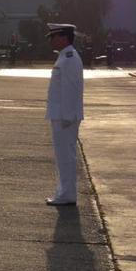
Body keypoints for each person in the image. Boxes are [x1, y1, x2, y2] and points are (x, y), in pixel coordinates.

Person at [44, 23, 84, 206]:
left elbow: (70, 89)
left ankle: (67, 194)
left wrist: (68, 117)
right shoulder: (65, 57)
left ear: (64, 38)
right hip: (62, 114)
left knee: (65, 156)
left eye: (54, 37)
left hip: (64, 116)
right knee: (63, 156)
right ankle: (64, 192)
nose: (51, 41)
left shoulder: (68, 58)